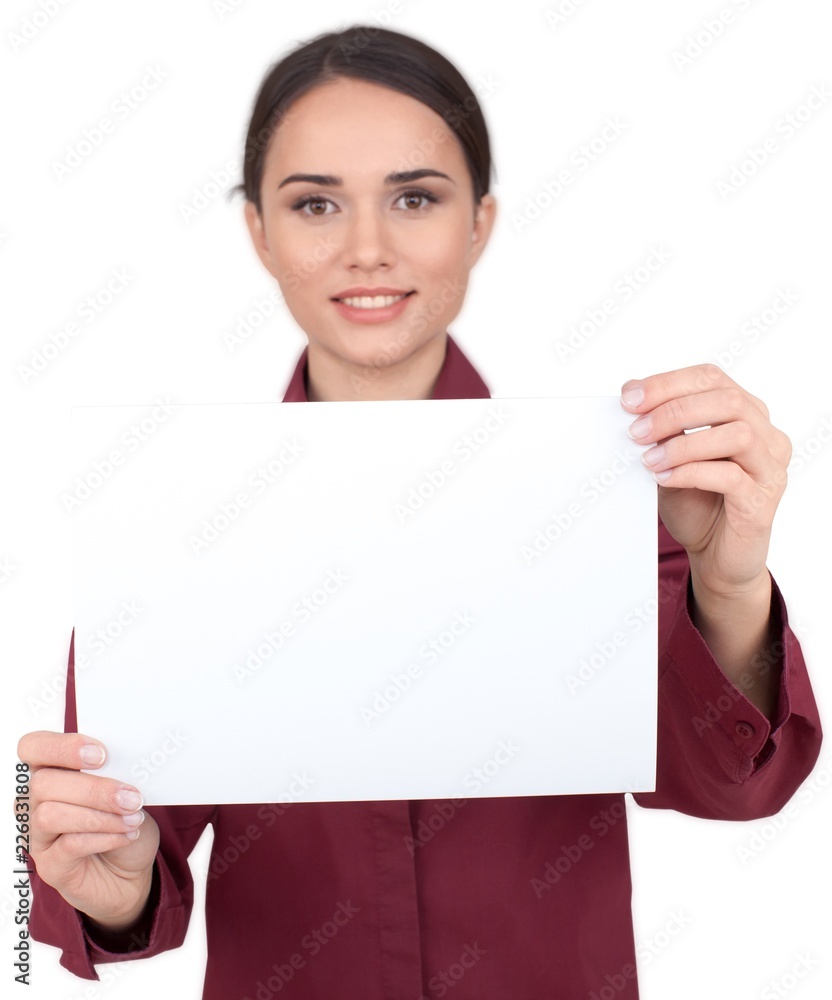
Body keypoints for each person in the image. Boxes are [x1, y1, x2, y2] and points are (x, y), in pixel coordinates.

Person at [18, 25, 822, 1000]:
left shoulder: (609, 494)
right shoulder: (177, 519)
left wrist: (727, 583)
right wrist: (108, 877)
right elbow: (119, 865)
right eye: (315, 202)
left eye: (414, 197)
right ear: (258, 232)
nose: (366, 248)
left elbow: (732, 785)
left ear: (478, 222)